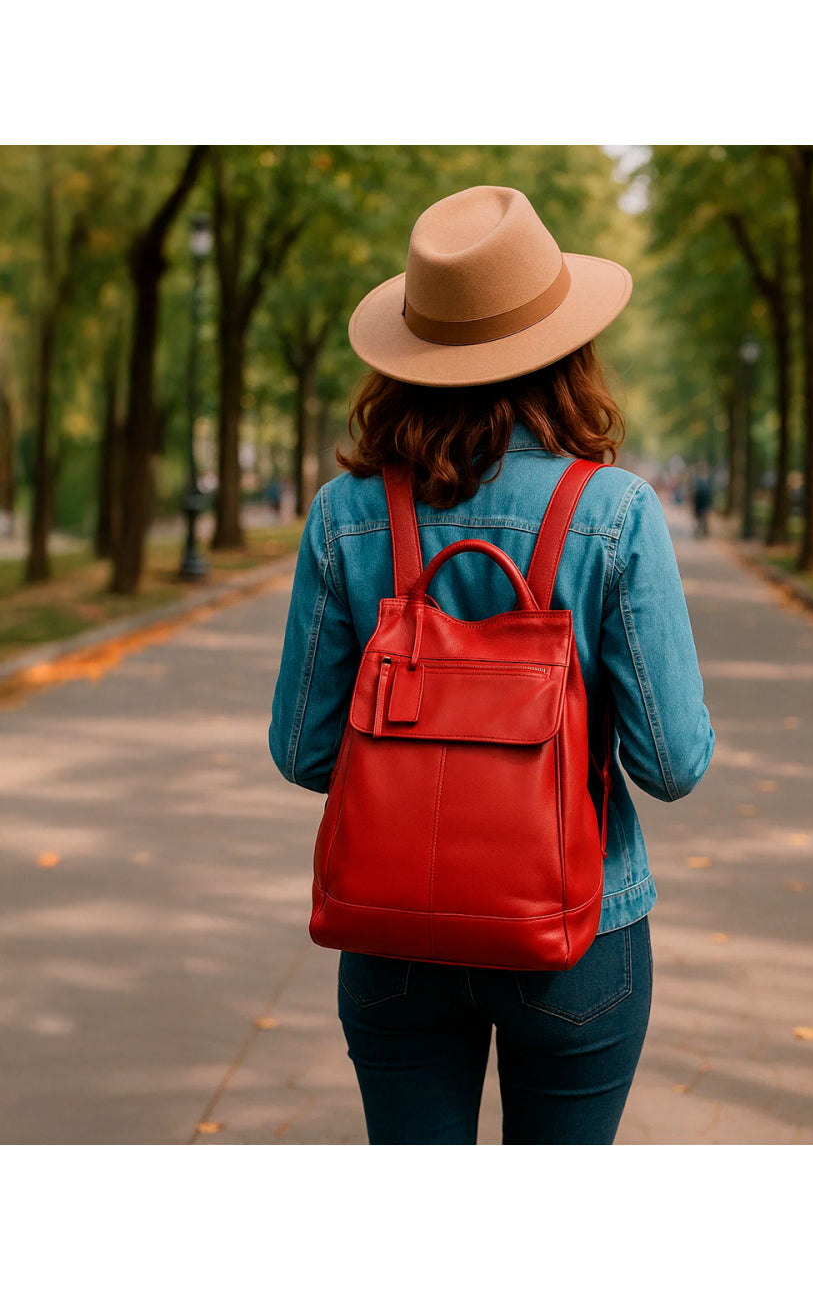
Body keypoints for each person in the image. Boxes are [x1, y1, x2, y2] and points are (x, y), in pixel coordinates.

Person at [269, 185, 715, 1145]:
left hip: (392, 936)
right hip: (578, 937)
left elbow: (304, 753)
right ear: (569, 351)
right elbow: (674, 765)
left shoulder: (344, 515)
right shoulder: (617, 513)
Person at [691, 460, 714, 538]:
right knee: (699, 517)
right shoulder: (698, 479)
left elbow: (710, 491)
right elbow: (694, 491)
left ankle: (703, 531)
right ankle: (700, 531)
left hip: (704, 500)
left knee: (704, 517)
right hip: (699, 500)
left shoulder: (707, 479)